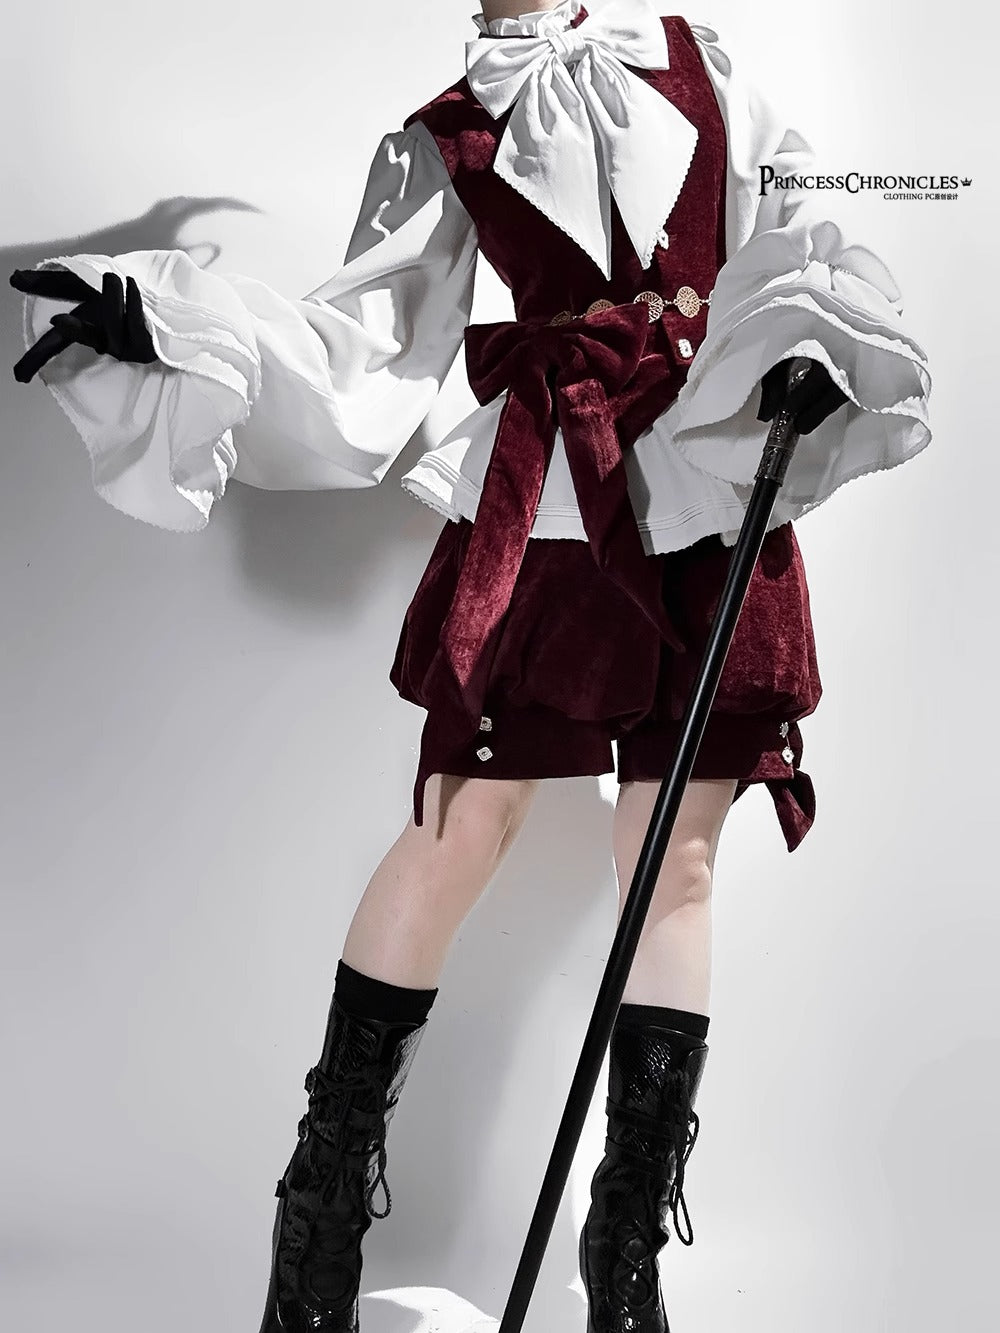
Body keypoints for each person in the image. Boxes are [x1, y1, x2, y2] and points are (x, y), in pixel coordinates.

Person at [10, 2, 931, 1329]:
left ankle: (625, 1256)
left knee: (673, 857)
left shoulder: (704, 67)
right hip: (547, 501)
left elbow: (799, 228)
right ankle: (318, 1220)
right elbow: (367, 347)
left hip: (714, 477)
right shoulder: (448, 133)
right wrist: (174, 327)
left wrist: (812, 341)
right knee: (461, 825)